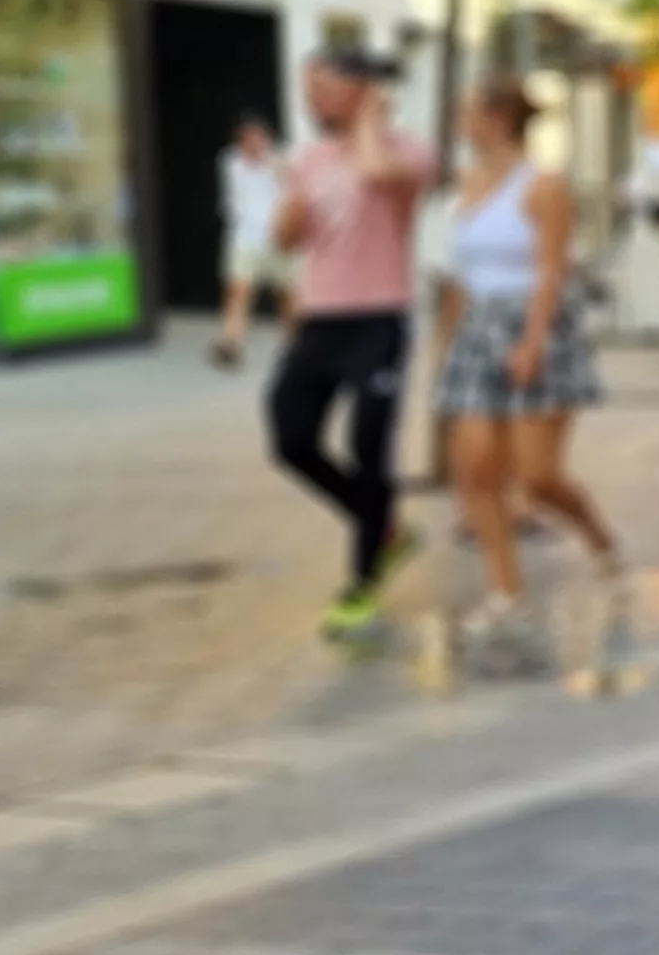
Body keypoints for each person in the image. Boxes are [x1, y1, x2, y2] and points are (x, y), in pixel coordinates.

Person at [430, 85, 625, 679]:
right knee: (475, 469)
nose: (463, 121)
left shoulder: (544, 186)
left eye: (470, 112)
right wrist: (445, 341)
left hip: (533, 329)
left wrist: (534, 341)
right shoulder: (464, 186)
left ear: (498, 118)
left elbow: (551, 269)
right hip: (477, 328)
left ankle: (600, 540)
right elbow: (460, 273)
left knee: (537, 477)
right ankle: (507, 593)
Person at [267, 45, 435, 650]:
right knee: (290, 440)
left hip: (378, 321)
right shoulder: (309, 158)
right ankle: (383, 527)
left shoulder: (408, 151)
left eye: (323, 88)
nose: (311, 101)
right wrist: (291, 201)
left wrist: (371, 119)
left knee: (370, 447)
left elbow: (375, 174)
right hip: (320, 321)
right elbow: (287, 241)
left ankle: (362, 583)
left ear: (363, 90)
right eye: (307, 89)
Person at [213, 113, 289, 370]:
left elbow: (291, 186)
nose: (252, 141)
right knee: (238, 289)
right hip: (245, 236)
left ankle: (292, 345)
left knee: (286, 294)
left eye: (258, 136)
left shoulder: (280, 158)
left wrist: (271, 161)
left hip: (279, 236)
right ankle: (232, 342)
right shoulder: (231, 160)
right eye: (247, 136)